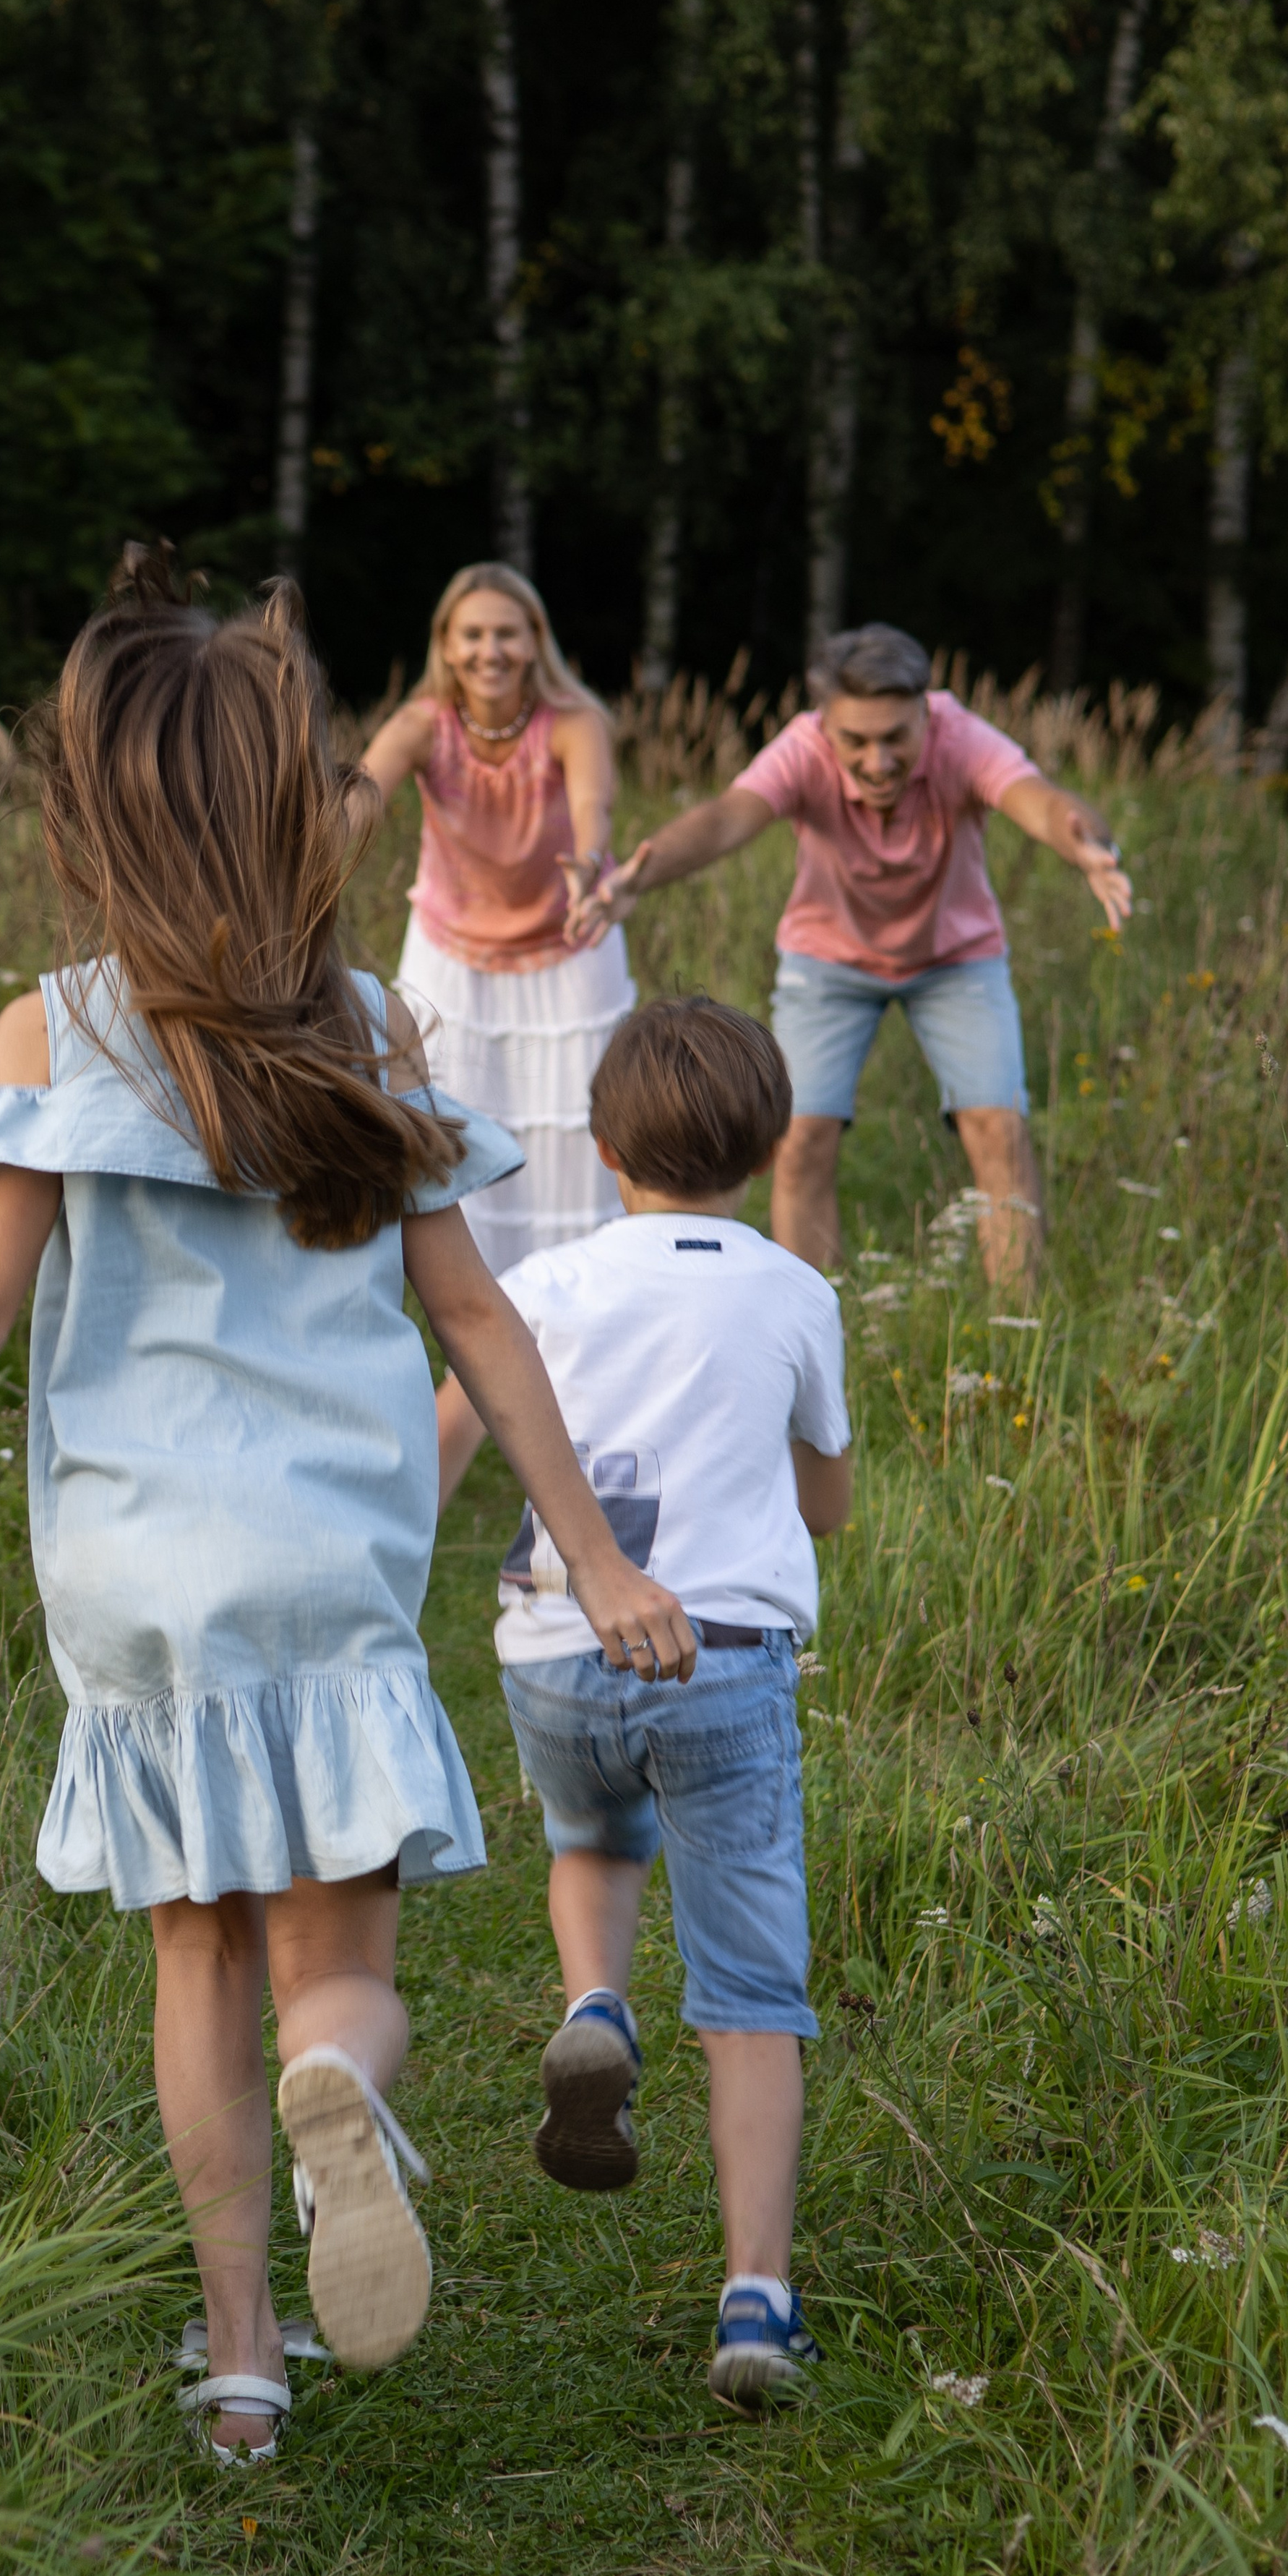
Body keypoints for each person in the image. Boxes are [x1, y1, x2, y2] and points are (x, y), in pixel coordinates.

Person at [0, 555, 695, 2468]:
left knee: (194, 1956)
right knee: (340, 1975)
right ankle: (340, 2093)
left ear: (105, 814)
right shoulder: (369, 1026)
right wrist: (601, 1563)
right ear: (297, 810)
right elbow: (480, 1323)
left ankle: (241, 2364)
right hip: (327, 1569)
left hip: (135, 1583)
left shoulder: (54, 1033)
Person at [434, 995, 851, 2412]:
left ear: (602, 1145)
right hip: (723, 1667)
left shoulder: (541, 1284)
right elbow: (826, 1503)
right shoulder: (792, 1290)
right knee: (748, 1998)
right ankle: (754, 2301)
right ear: (765, 1141)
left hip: (556, 1653)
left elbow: (440, 1445)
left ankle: (594, 2002)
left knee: (594, 1841)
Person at [572, 623, 1133, 1286]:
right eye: (855, 741)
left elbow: (1036, 802)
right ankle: (813, 1311)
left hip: (957, 960)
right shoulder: (803, 749)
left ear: (926, 714)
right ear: (824, 724)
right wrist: (643, 872)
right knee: (800, 1138)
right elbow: (728, 817)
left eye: (895, 737)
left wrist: (1084, 842)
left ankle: (1018, 1323)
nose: (876, 759)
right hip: (828, 964)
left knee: (998, 1127)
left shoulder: (962, 738)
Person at [361, 562, 633, 1274]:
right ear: (446, 645)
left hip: (569, 944)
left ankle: (574, 1293)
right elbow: (362, 793)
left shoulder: (575, 721)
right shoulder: (423, 724)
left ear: (534, 639)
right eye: (473, 634)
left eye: (507, 633)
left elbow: (590, 806)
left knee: (574, 1130)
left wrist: (588, 860)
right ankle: (474, 1303)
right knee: (451, 1124)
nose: (490, 650)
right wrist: (316, 843)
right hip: (450, 954)